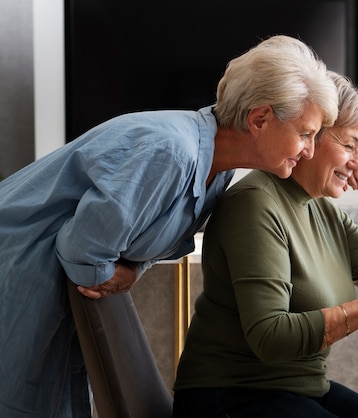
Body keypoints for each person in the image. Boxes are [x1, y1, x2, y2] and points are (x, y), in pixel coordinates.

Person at [0, 35, 339, 417]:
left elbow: (137, 237)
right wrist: (116, 273)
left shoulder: (215, 173)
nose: (309, 150)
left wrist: (132, 270)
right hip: (16, 265)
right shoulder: (172, 153)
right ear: (259, 119)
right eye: (305, 134)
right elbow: (83, 250)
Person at [172, 71, 358, 418]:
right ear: (311, 136)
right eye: (348, 145)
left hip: (302, 390)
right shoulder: (254, 203)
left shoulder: (320, 209)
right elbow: (271, 336)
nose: (357, 162)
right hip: (231, 396)